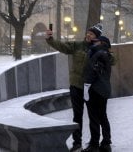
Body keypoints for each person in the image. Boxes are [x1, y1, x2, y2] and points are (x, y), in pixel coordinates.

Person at [46, 23, 104, 152]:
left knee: (93, 116)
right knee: (77, 116)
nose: (88, 35)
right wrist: (50, 39)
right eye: (88, 33)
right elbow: (63, 47)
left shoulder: (99, 49)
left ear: (97, 36)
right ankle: (77, 143)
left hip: (92, 88)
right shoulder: (78, 45)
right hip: (76, 86)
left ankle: (94, 144)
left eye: (92, 34)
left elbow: (109, 62)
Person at [83, 35, 114, 152]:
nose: (93, 43)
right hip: (103, 90)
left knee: (94, 118)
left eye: (96, 41)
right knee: (102, 116)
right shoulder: (105, 54)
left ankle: (94, 145)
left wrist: (86, 86)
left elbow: (93, 71)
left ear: (102, 43)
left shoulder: (99, 54)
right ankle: (106, 142)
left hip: (96, 90)